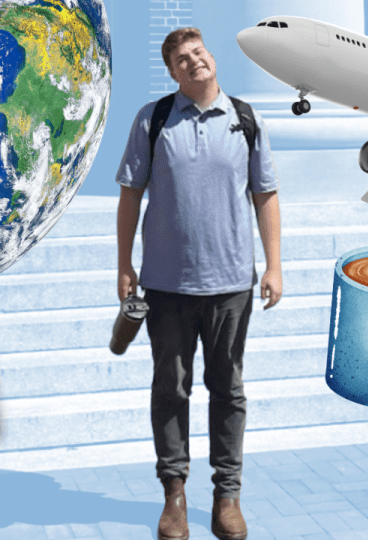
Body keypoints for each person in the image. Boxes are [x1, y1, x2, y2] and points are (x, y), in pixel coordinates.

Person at [116, 27, 282, 540]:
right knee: (171, 389)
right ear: (171, 73)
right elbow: (130, 197)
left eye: (198, 53)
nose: (193, 62)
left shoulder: (246, 120)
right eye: (181, 60)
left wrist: (274, 267)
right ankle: (175, 496)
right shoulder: (153, 119)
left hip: (232, 284)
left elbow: (266, 195)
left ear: (210, 58)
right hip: (166, 286)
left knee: (227, 390)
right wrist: (125, 265)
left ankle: (227, 496)